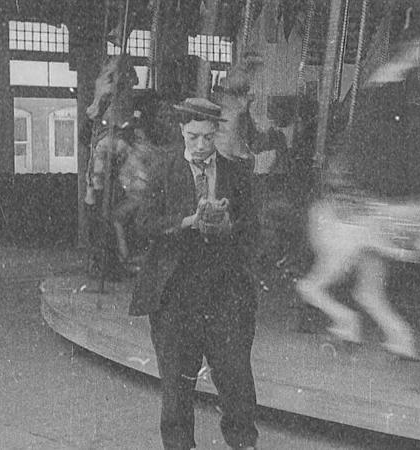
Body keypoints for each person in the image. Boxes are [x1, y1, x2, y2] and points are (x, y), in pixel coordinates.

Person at [129, 97, 259, 450]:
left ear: (217, 132)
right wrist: (188, 221)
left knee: (235, 378)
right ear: (181, 131)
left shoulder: (236, 174)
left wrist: (229, 225)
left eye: (208, 137)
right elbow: (143, 224)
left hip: (224, 293)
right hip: (175, 295)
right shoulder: (162, 171)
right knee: (176, 384)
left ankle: (244, 443)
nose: (201, 145)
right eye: (193, 137)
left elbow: (254, 229)